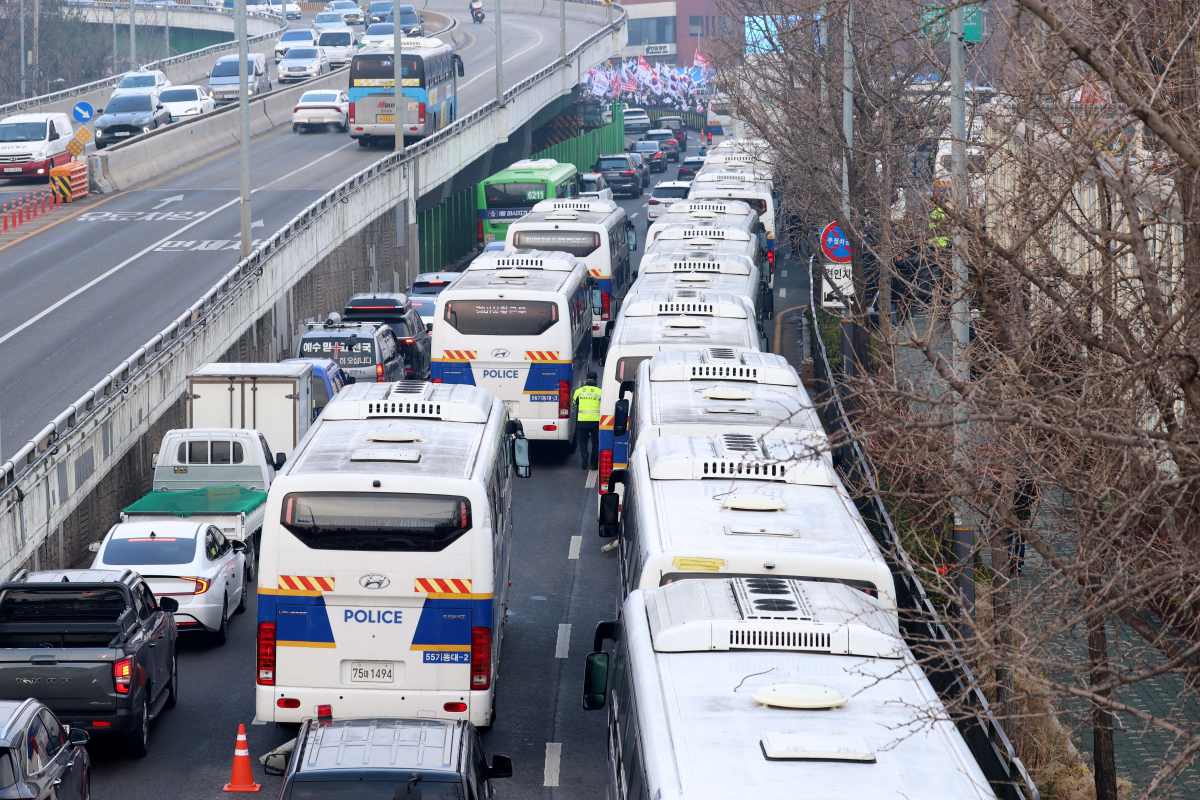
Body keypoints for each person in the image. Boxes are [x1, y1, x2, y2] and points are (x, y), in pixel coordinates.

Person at [572, 371, 601, 470]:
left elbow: (575, 402)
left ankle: (584, 455)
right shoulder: (600, 391)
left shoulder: (579, 391)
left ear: (586, 378)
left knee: (583, 441)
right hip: (596, 422)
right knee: (595, 443)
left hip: (582, 421)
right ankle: (593, 464)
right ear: (596, 379)